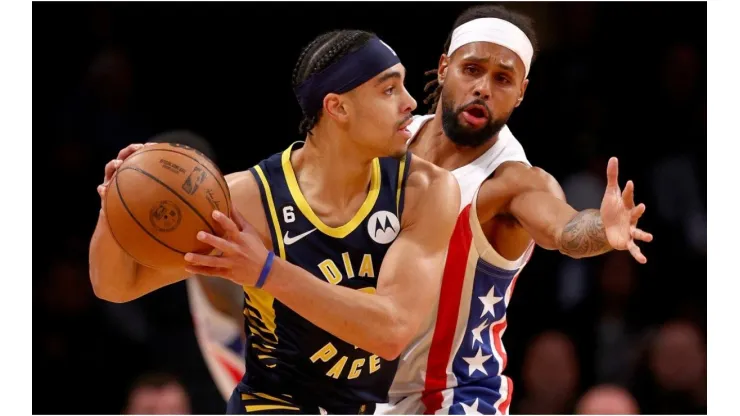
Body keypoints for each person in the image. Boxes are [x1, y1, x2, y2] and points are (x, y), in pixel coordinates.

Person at [89, 30, 460, 414]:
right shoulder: (250, 201)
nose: (411, 102)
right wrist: (115, 203)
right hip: (273, 403)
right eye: (389, 90)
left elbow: (391, 331)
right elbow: (116, 285)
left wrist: (265, 270)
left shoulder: (425, 190)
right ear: (338, 108)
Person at [373, 4, 653, 414]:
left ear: (521, 92)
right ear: (444, 67)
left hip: (451, 397)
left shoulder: (512, 181)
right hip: (355, 386)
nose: (484, 87)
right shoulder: (387, 139)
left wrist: (602, 230)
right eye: (472, 70)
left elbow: (565, 229)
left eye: (503, 79)